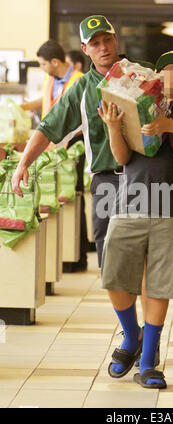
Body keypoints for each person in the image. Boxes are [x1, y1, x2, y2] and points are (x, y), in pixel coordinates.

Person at [98, 50, 173, 389]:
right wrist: (112, 126)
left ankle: (149, 360)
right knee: (116, 278)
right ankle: (132, 337)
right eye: (164, 70)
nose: (170, 76)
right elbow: (122, 157)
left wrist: (167, 124)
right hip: (128, 201)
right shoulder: (137, 101)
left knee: (159, 284)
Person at [11, 15, 154, 271]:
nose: (103, 47)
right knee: (109, 264)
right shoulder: (81, 89)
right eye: (95, 43)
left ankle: (147, 313)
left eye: (107, 39)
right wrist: (24, 164)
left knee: (144, 262)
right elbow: (47, 128)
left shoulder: (143, 73)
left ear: (116, 40)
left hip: (145, 178)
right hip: (107, 181)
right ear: (85, 49)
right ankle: (127, 313)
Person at [20, 39, 88, 272]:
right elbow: (49, 104)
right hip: (54, 145)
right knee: (58, 197)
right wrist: (25, 107)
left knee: (73, 196)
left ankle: (78, 256)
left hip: (73, 145)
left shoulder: (79, 81)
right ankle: (66, 255)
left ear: (55, 62)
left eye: (42, 64)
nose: (41, 68)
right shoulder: (52, 80)